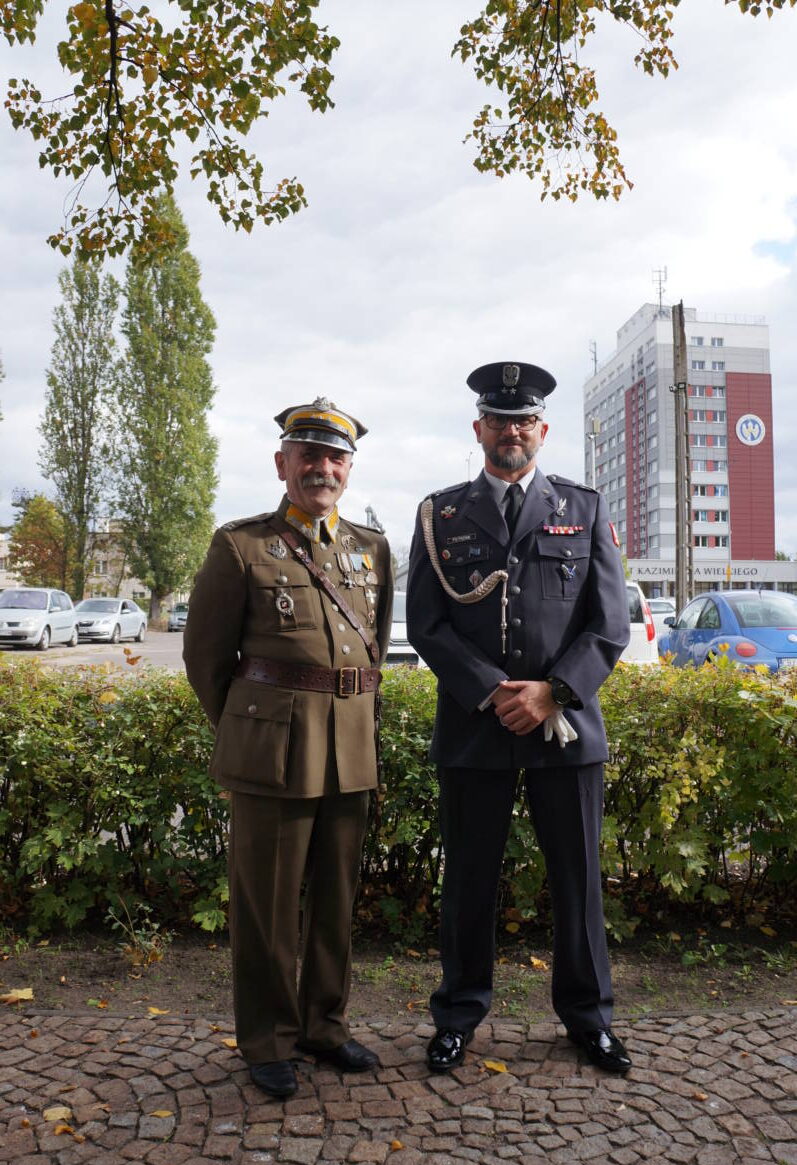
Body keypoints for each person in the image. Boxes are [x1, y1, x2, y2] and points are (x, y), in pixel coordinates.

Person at [406, 360, 632, 1075]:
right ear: (479, 429)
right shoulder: (439, 514)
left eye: (523, 420)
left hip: (565, 730)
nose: (511, 431)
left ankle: (587, 1018)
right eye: (498, 420)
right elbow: (426, 623)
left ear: (541, 430)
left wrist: (551, 692)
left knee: (577, 882)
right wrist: (492, 690)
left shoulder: (584, 508)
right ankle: (458, 1015)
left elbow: (609, 625)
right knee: (468, 881)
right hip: (476, 730)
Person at [184, 397, 393, 1099]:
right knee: (267, 904)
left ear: (348, 468)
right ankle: (267, 1039)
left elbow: (373, 655)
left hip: (350, 746)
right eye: (308, 455)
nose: (322, 468)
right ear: (283, 463)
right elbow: (205, 658)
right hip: (273, 752)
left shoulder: (371, 549)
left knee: (336, 901)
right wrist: (253, 728)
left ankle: (322, 1027)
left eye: (335, 458)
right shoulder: (240, 546)